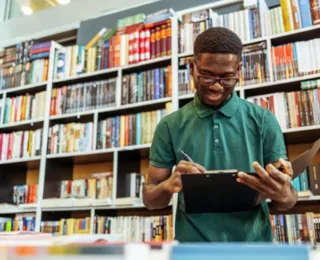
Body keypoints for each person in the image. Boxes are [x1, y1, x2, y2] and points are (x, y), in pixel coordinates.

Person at [142, 27, 298, 242]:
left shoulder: (264, 120)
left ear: (239, 71)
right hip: (192, 252)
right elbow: (151, 201)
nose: (216, 87)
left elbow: (287, 202)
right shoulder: (169, 125)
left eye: (226, 78)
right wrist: (169, 185)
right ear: (192, 67)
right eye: (206, 76)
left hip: (253, 252)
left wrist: (282, 192)